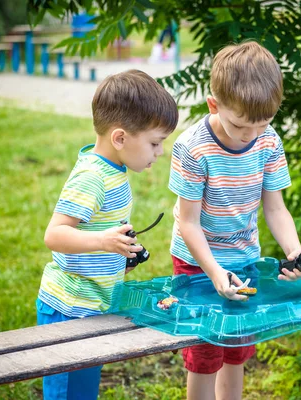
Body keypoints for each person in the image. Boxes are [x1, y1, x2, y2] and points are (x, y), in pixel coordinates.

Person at [168, 41, 301, 400]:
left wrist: (294, 252)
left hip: (244, 258)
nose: (252, 135)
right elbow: (188, 223)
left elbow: (275, 208)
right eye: (241, 125)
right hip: (196, 262)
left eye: (263, 124)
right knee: (206, 352)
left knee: (236, 348)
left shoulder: (268, 142)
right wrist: (214, 272)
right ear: (214, 105)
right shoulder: (193, 148)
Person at [36, 69, 178, 400]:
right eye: (155, 143)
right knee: (67, 393)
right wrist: (103, 242)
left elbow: (101, 229)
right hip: (69, 308)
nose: (159, 153)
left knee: (84, 391)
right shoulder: (92, 177)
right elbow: (55, 235)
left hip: (94, 304)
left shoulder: (115, 171)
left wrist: (121, 252)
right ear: (120, 138)